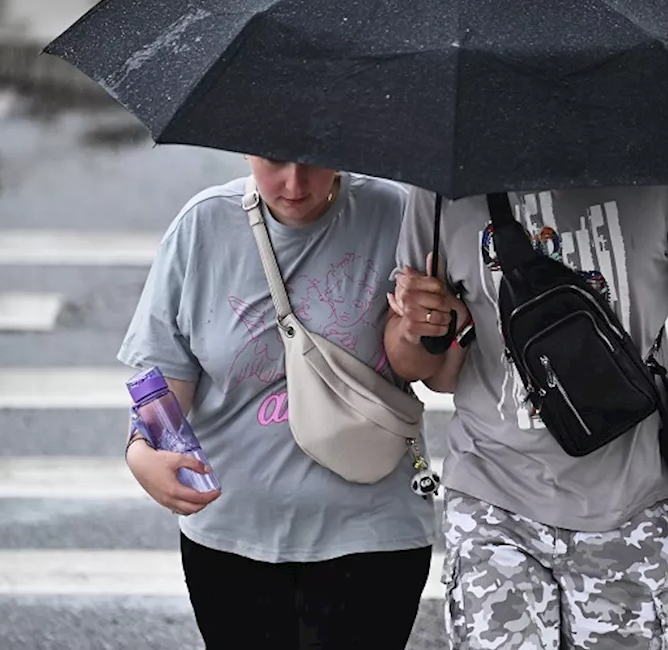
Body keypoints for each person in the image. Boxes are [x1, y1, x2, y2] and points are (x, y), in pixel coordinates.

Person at [386, 185, 668, 649]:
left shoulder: (661, 173)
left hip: (626, 507)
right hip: (492, 497)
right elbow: (418, 369)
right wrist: (420, 327)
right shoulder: (444, 189)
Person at [120, 158, 435, 650]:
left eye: (313, 161)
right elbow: (164, 377)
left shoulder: (395, 215)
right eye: (274, 160)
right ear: (245, 151)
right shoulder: (202, 226)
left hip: (373, 532)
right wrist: (143, 451)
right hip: (233, 537)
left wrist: (428, 323)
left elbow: (429, 373)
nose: (294, 182)